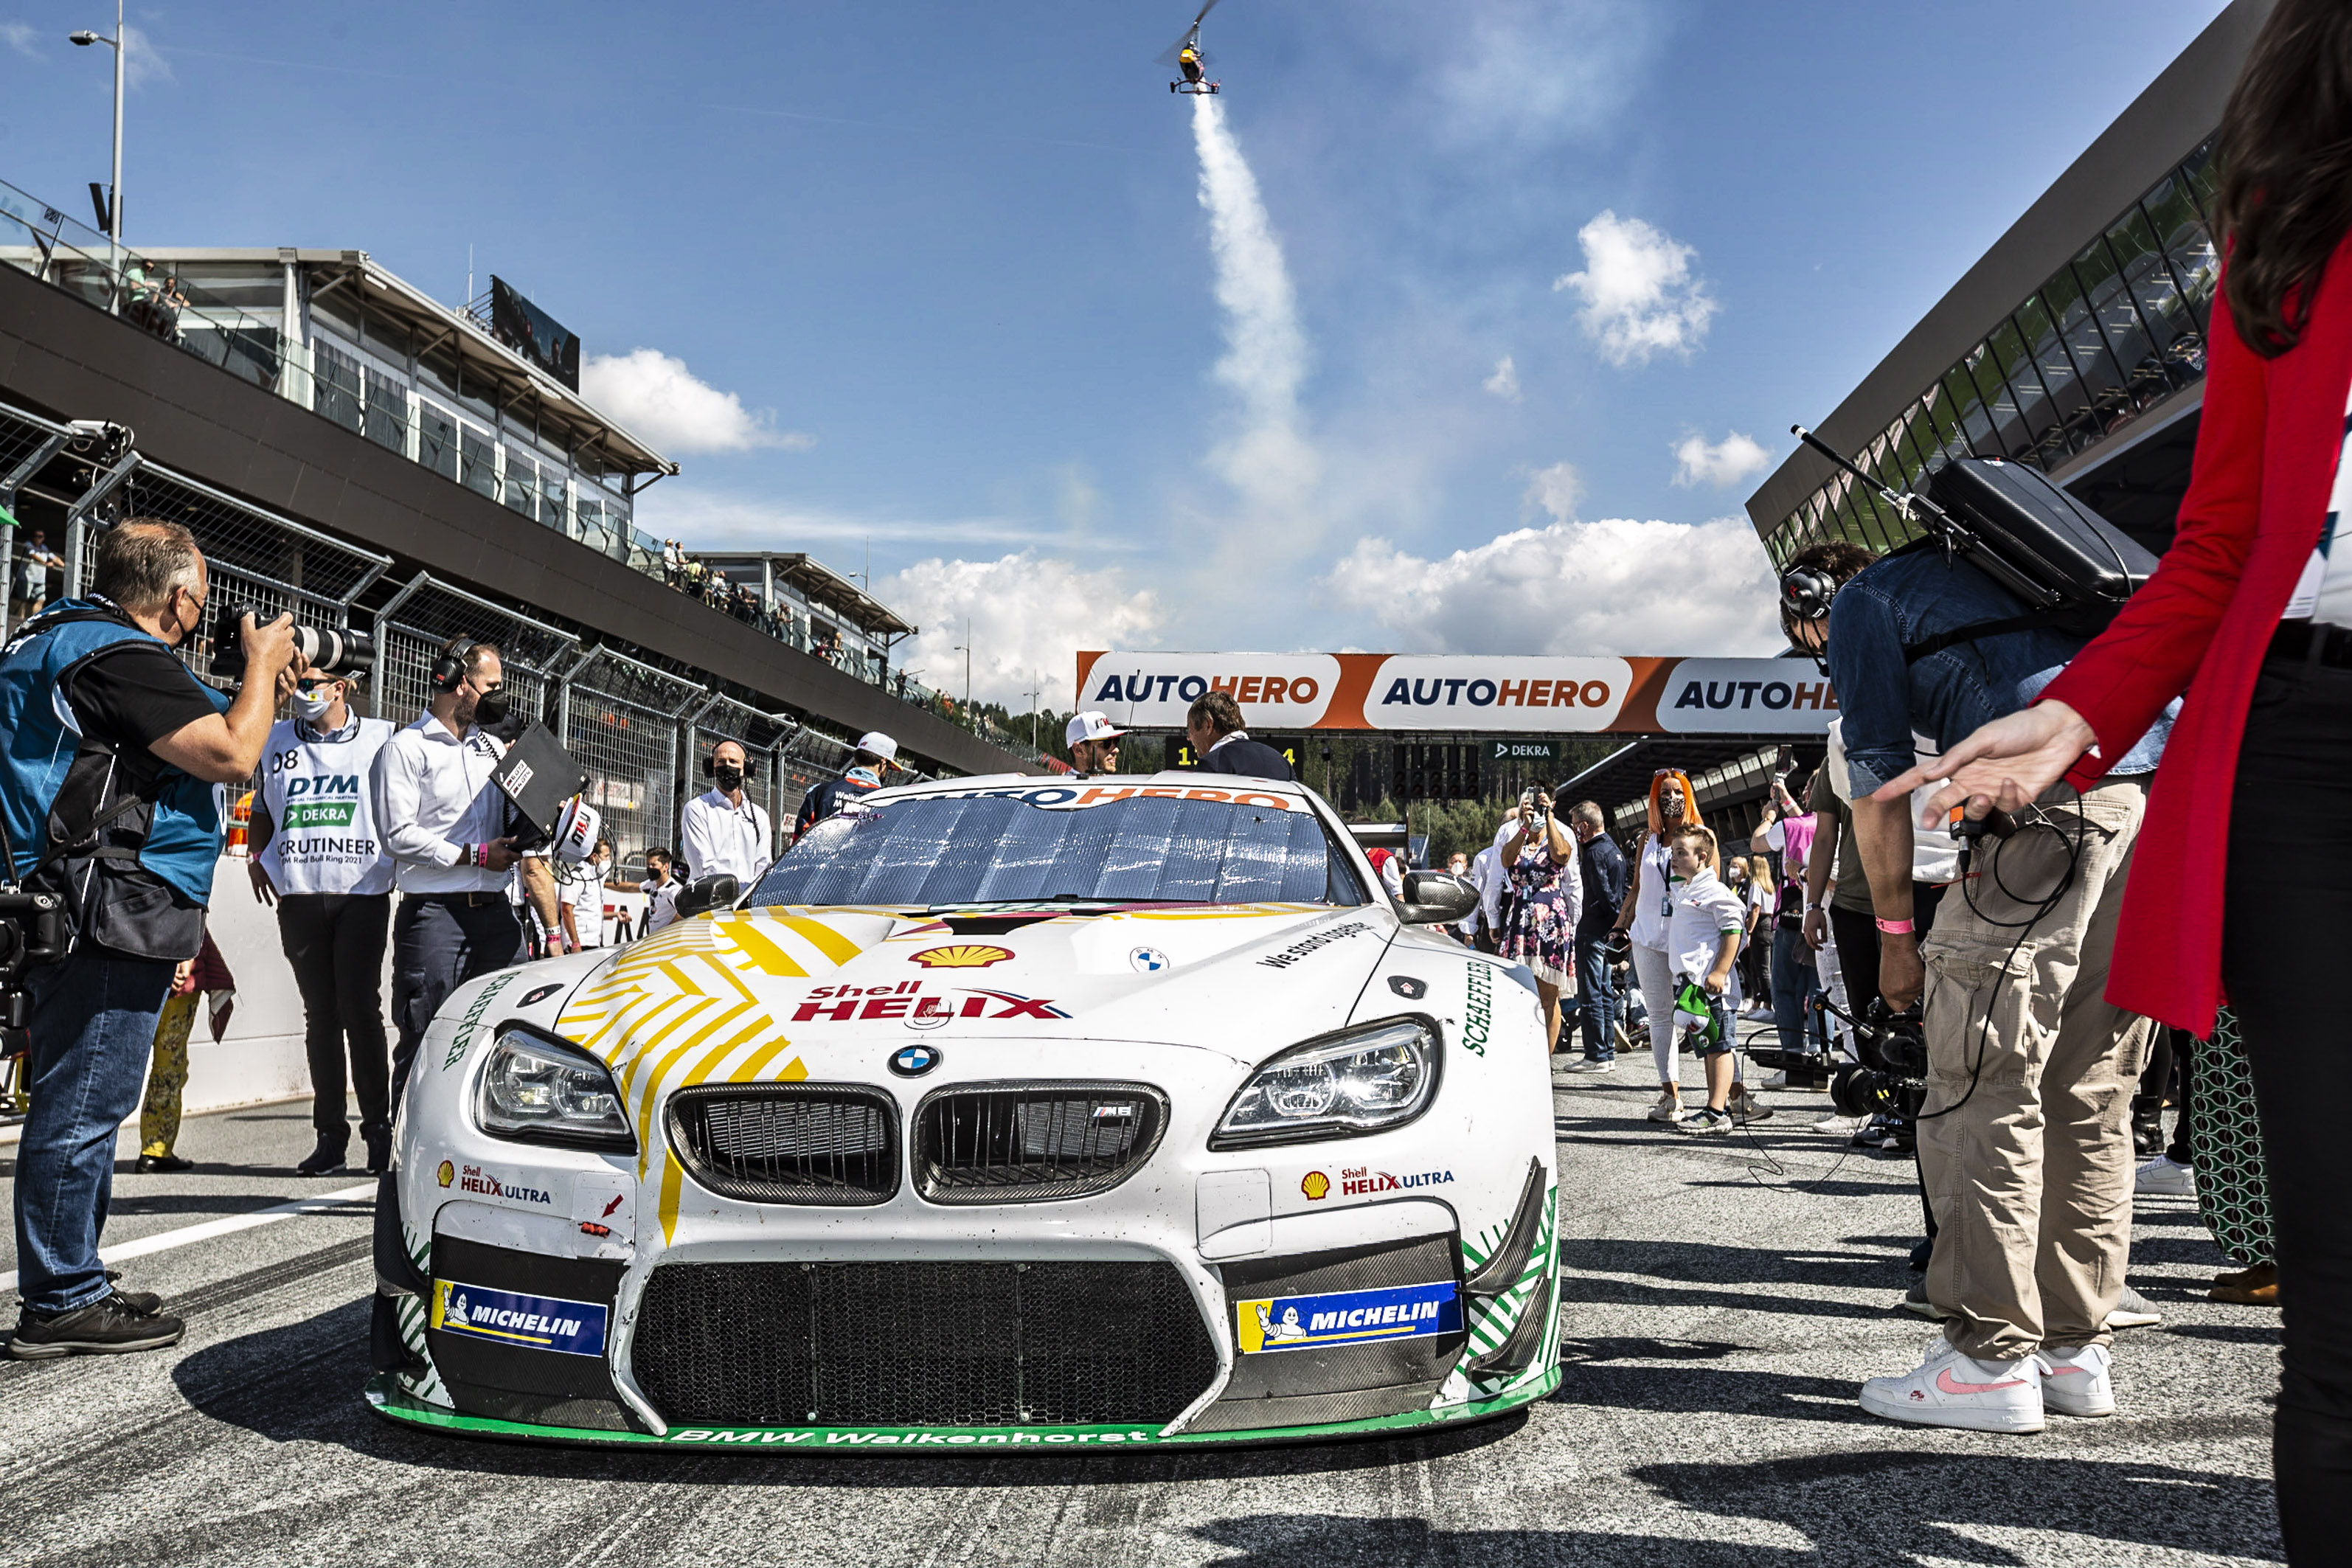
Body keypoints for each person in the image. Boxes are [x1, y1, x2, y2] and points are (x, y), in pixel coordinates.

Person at [1880, 4, 2351, 1536]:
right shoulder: (2288, 203)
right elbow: (2218, 537)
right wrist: (2081, 710)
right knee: (2341, 1322)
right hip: (2301, 752)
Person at [1781, 517, 2173, 1434]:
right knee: (2092, 1092)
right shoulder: (2005, 579)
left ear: (1812, 610)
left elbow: (1876, 790)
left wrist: (1894, 936)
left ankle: (1987, 1358)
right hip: (2145, 803)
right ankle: (2075, 1349)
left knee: (1977, 1083)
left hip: (2044, 814)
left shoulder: (1869, 605)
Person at [0, 518, 300, 1358]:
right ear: (179, 598)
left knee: (81, 1095)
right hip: (102, 901)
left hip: (64, 895)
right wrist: (263, 668)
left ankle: (77, 1279)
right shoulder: (119, 656)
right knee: (86, 1099)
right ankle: (61, 1297)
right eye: (202, 598)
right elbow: (234, 756)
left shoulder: (57, 636)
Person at [247, 664, 397, 1176]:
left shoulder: (382, 738)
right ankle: (329, 1137)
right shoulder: (274, 737)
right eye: (299, 681)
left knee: (361, 1010)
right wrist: (254, 856)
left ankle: (379, 1131)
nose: (303, 692)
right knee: (321, 1017)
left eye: (314, 682)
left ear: (341, 688)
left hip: (362, 890)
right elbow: (262, 809)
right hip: (300, 892)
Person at [374, 636, 521, 1101]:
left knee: (511, 1037)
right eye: (491, 685)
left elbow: (514, 820)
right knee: (425, 1041)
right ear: (458, 682)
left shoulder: (494, 750)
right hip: (435, 916)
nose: (500, 695)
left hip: (498, 914)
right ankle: (399, 1170)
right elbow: (397, 835)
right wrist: (475, 855)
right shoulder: (406, 748)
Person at [1610, 770, 1700, 1123]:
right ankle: (1671, 1095)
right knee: (1660, 1017)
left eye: (1678, 791)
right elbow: (1636, 889)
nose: (1671, 798)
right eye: (1664, 792)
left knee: (1699, 1013)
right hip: (1647, 937)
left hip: (1685, 937)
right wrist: (1620, 926)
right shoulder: (1647, 839)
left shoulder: (1700, 836)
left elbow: (1710, 886)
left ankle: (1729, 1093)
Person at [1661, 825, 1747, 1135]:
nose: (1674, 858)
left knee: (1721, 1046)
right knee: (1709, 1047)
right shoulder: (1686, 888)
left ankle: (1716, 1112)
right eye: (1673, 852)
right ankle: (1716, 1108)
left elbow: (1734, 931)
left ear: (1703, 858)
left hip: (1714, 990)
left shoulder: (1715, 891)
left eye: (1681, 853)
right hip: (1693, 988)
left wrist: (1720, 972)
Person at [136, 932, 234, 1174]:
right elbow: (192, 902)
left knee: (115, 1063)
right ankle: (155, 1149)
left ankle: (98, 1148)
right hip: (178, 963)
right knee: (168, 1066)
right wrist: (186, 954)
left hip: (132, 966)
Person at [1496, 791, 1581, 1054]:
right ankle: (1518, 1052)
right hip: (1520, 921)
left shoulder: (1560, 835)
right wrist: (1524, 824)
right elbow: (1505, 860)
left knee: (1548, 995)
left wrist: (1549, 817)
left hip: (1550, 923)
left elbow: (1562, 855)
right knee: (1516, 991)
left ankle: (1544, 1058)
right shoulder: (1516, 837)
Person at [1567, 800, 1628, 1072]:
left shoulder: (1592, 853)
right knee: (1604, 991)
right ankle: (1607, 1052)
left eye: (1574, 825)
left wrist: (1613, 920)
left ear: (1584, 826)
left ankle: (1596, 1054)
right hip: (1607, 931)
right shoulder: (1614, 849)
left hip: (1593, 929)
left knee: (1590, 992)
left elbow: (1604, 893)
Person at [682, 739, 775, 884]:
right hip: (708, 900)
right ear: (711, 768)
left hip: (746, 904)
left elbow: (763, 865)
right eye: (721, 762)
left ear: (746, 768)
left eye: (733, 761)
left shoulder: (759, 816)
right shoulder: (696, 809)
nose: (727, 766)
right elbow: (704, 866)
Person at [791, 732, 895, 847]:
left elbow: (798, 842)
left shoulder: (819, 792)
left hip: (818, 862)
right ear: (883, 763)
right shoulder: (888, 801)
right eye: (889, 769)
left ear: (855, 758)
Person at [1185, 691, 1294, 780]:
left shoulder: (1212, 764)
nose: (1188, 738)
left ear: (1208, 726)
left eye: (1190, 729)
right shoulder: (1282, 763)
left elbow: (1204, 807)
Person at [11, 527, 64, 626]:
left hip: (39, 580)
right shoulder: (28, 545)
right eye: (36, 536)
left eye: (40, 536)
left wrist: (64, 566)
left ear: (43, 538)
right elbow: (33, 555)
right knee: (24, 599)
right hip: (27, 578)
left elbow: (54, 558)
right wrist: (45, 563)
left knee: (41, 599)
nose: (37, 538)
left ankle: (33, 621)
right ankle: (20, 621)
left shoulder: (44, 548)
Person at [1066, 712, 1126, 776]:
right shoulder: (1066, 785)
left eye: (1116, 741)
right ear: (1078, 750)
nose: (1116, 750)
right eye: (1106, 743)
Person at [640, 846, 684, 934]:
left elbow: (684, 912)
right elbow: (631, 887)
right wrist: (605, 884)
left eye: (653, 865)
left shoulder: (673, 889)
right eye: (648, 865)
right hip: (654, 938)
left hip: (666, 941)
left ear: (665, 867)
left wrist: (665, 932)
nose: (650, 868)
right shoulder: (653, 883)